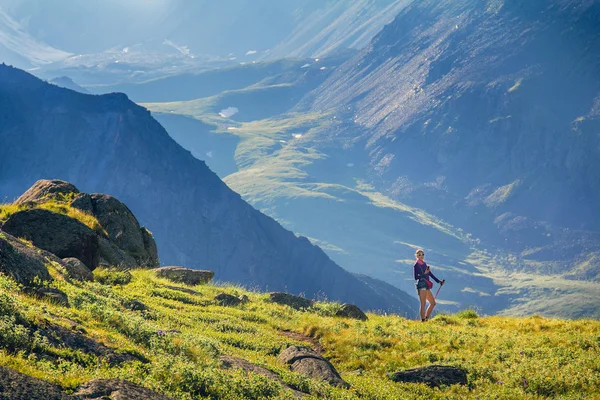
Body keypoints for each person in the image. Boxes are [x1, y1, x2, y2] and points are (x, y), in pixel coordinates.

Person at [413, 249, 444, 322]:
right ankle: (423, 320)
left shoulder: (424, 264)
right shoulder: (416, 265)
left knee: (433, 303)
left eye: (422, 254)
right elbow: (416, 277)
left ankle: (426, 319)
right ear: (416, 256)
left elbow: (430, 274)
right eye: (419, 254)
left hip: (426, 285)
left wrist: (438, 281)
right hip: (421, 284)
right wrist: (424, 273)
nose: (421, 256)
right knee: (423, 303)